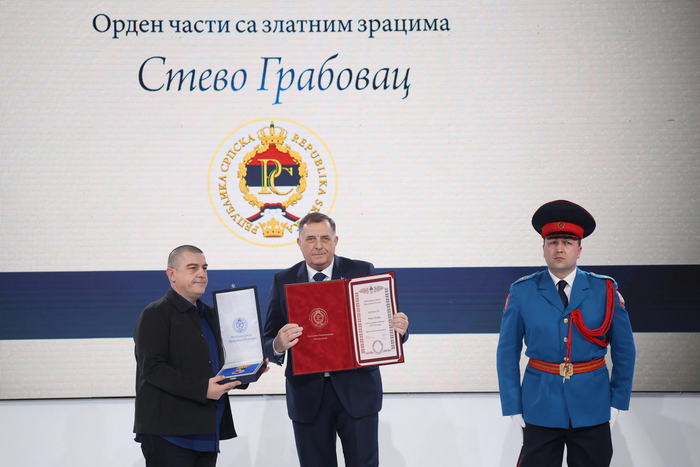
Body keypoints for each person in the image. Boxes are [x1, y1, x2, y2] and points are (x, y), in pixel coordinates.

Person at [496, 200, 636, 467]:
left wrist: (618, 400)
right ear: (543, 248)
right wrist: (512, 404)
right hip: (540, 404)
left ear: (579, 249)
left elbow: (625, 351)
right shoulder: (522, 292)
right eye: (552, 242)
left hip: (592, 404)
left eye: (568, 242)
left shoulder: (604, 290)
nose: (559, 248)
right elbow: (506, 354)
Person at [263, 212, 409, 467]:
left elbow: (383, 323)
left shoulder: (361, 271)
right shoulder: (282, 280)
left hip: (357, 392)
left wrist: (400, 329)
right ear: (299, 243)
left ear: (336, 241)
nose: (318, 245)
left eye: (325, 238)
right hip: (307, 396)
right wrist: (278, 344)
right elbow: (268, 339)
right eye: (310, 239)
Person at [134, 245, 244, 467]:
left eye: (204, 268)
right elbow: (153, 369)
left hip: (207, 433)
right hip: (169, 435)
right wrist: (202, 389)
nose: (201, 274)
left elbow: (221, 365)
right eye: (192, 267)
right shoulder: (155, 314)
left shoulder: (211, 315)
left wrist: (249, 369)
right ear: (171, 274)